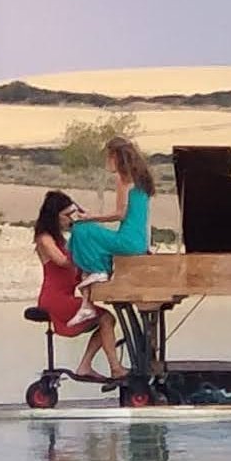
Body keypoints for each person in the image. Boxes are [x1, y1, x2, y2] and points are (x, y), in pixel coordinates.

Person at [34, 190, 127, 382]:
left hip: (66, 295)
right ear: (54, 216)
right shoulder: (44, 238)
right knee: (106, 319)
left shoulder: (62, 239)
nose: (70, 219)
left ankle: (87, 365)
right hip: (55, 299)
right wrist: (84, 250)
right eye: (66, 215)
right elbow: (62, 261)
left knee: (106, 319)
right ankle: (114, 368)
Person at [67, 136, 156, 326]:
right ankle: (89, 296)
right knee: (90, 233)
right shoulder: (143, 181)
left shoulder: (123, 180)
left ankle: (98, 270)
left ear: (116, 156)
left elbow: (120, 214)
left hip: (127, 241)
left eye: (109, 157)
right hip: (139, 242)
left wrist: (90, 217)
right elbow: (143, 219)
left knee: (81, 229)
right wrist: (147, 246)